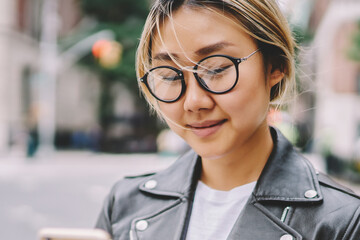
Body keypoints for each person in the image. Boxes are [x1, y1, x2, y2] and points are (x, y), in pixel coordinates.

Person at [96, 0, 360, 239]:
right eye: (169, 75)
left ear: (275, 65)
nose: (194, 102)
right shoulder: (124, 205)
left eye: (217, 69)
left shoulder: (343, 222)